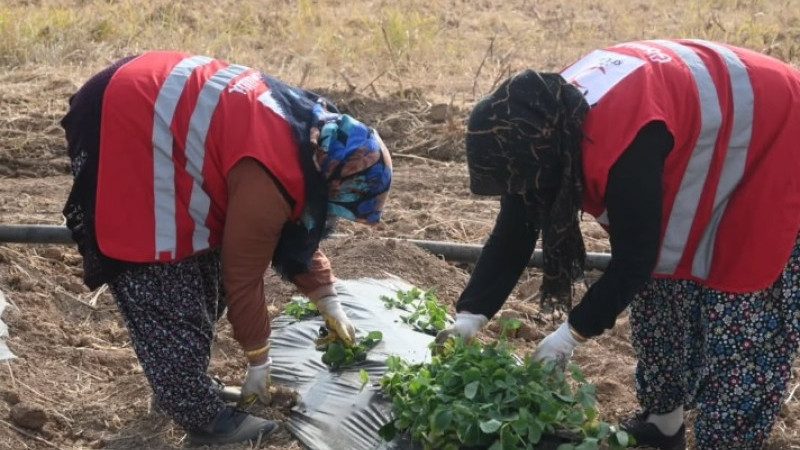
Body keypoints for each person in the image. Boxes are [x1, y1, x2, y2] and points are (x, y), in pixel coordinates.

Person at [435, 39, 800, 450]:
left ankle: (729, 441)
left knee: (742, 308)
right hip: (706, 137)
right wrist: (470, 315)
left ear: (547, 157)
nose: (523, 193)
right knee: (666, 277)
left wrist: (571, 335)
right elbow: (514, 229)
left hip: (776, 136)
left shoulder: (624, 140)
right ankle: (663, 425)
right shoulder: (545, 124)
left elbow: (634, 260)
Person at [60, 52, 392, 446]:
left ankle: (182, 384)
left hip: (150, 101)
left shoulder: (315, 135)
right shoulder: (268, 174)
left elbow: (291, 225)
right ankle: (201, 417)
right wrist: (259, 359)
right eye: (342, 204)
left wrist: (327, 297)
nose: (335, 214)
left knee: (204, 273)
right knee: (164, 274)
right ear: (336, 181)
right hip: (126, 118)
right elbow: (244, 274)